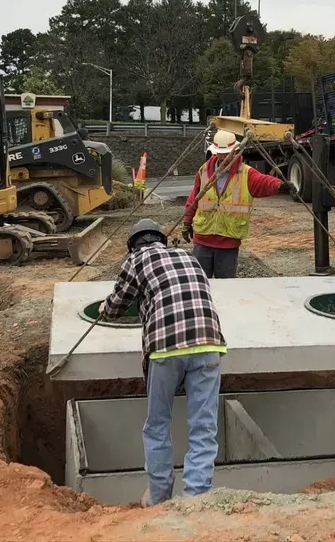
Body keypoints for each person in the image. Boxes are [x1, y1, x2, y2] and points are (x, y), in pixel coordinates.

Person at [99, 219, 226, 507]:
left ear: (133, 245)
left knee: (157, 424)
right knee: (203, 427)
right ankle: (196, 499)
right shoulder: (188, 256)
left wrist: (105, 308)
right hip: (208, 342)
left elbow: (118, 305)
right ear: (161, 239)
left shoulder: (136, 259)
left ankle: (159, 499)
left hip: (166, 349)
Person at [182, 128, 286, 278]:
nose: (223, 157)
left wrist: (279, 185)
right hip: (203, 240)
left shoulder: (245, 173)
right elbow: (194, 199)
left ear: (235, 151)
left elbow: (262, 182)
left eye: (227, 154)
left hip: (228, 243)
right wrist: (187, 222)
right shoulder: (204, 171)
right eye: (220, 154)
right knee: (199, 285)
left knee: (227, 288)